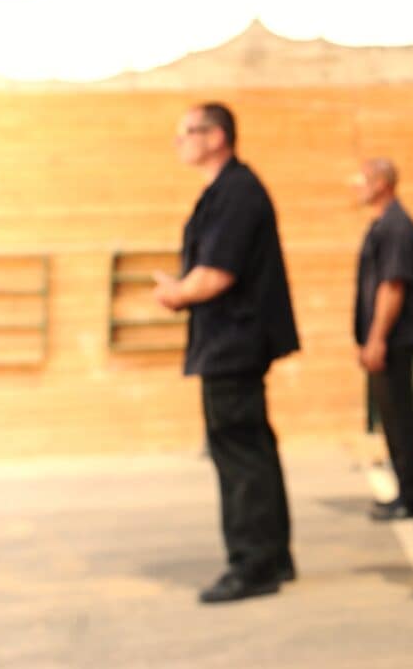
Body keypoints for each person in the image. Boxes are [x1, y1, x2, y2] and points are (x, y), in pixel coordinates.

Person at [154, 102, 300, 604]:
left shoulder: (236, 192)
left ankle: (253, 564)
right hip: (231, 341)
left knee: (238, 454)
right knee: (252, 450)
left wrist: (175, 292)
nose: (180, 143)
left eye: (186, 133)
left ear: (216, 136)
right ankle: (273, 556)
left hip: (233, 343)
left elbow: (217, 273)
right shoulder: (227, 191)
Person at [353, 157, 413, 521]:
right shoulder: (383, 225)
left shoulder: (396, 226)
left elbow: (393, 286)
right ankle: (407, 491)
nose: (358, 185)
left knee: (400, 418)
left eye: (364, 178)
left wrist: (376, 339)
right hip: (388, 339)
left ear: (382, 183)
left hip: (395, 339)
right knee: (394, 417)